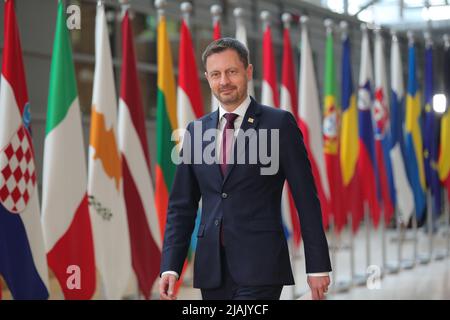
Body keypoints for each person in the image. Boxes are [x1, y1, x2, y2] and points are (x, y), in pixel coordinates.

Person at [159, 38, 331, 300]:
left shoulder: (279, 124)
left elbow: (306, 200)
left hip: (261, 265)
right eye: (216, 74)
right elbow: (181, 206)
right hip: (212, 269)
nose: (224, 81)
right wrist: (171, 266)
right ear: (207, 78)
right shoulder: (195, 132)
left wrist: (317, 265)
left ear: (248, 72)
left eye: (231, 71)